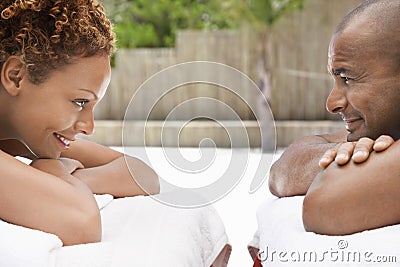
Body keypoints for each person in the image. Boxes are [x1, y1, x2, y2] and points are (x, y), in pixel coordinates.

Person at [0, 0, 160, 246]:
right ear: (16, 77)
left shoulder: (24, 136)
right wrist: (51, 173)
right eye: (79, 102)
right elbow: (81, 222)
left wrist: (69, 178)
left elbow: (142, 175)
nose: (89, 127)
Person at [268, 0, 400, 235]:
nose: (332, 104)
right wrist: (344, 151)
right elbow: (280, 173)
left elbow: (323, 204)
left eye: (347, 79)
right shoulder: (384, 133)